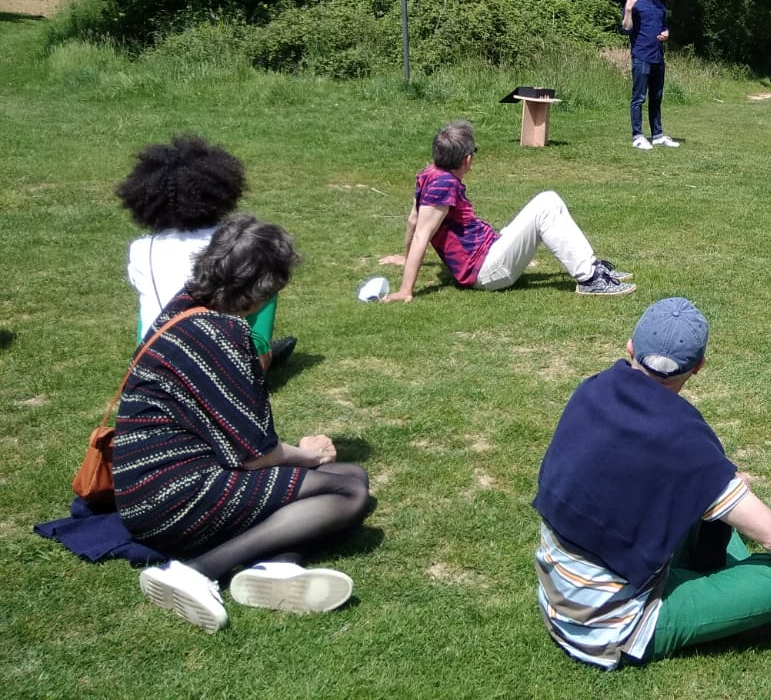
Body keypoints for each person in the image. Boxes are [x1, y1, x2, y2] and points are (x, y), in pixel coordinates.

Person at [532, 297, 771, 668]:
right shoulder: (683, 439)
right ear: (698, 367)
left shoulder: (591, 389)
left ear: (631, 347)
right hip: (612, 628)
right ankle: (743, 619)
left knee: (716, 495)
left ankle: (724, 588)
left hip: (559, 595)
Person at [116, 215, 370, 632]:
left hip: (142, 486)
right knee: (347, 488)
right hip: (171, 498)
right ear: (261, 290)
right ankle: (197, 571)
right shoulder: (223, 334)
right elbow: (254, 455)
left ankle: (277, 566)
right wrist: (308, 454)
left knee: (348, 475)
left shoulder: (183, 309)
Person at [380, 121, 634, 301]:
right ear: (467, 159)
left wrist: (405, 258)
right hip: (485, 271)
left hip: (490, 251)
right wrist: (405, 290)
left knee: (550, 201)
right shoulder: (443, 185)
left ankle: (591, 268)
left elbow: (413, 220)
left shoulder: (429, 174)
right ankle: (590, 280)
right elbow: (422, 233)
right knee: (546, 204)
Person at [115, 135, 293, 373]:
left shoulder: (141, 249)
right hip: (221, 365)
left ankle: (146, 352)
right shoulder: (236, 242)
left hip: (156, 366)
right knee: (264, 275)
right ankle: (258, 359)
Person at [624, 0, 678, 150]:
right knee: (639, 98)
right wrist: (628, 10)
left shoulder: (660, 6)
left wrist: (666, 34)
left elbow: (665, 27)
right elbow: (626, 28)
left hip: (658, 58)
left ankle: (657, 135)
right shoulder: (636, 3)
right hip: (641, 56)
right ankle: (637, 136)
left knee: (656, 97)